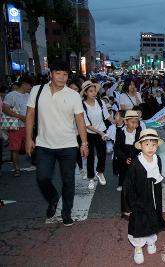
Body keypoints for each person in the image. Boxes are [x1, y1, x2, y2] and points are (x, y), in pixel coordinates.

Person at [25, 60, 89, 226]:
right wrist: (28, 139)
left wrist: (84, 143)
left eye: (65, 74)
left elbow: (80, 120)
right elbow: (30, 115)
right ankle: (53, 199)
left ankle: (66, 212)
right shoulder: (37, 91)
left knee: (68, 181)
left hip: (68, 145)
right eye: (58, 73)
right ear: (51, 73)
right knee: (42, 178)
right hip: (43, 145)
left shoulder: (73, 95)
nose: (61, 77)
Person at [123, 128, 165, 264]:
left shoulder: (157, 159)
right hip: (139, 200)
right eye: (147, 144)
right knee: (139, 222)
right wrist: (127, 206)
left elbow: (158, 177)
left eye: (154, 144)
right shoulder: (135, 164)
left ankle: (151, 241)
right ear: (141, 146)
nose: (151, 148)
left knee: (153, 218)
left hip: (154, 197)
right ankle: (138, 247)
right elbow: (128, 186)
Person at [81, 81, 113, 189]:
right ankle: (91, 178)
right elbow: (87, 124)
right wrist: (101, 133)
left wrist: (116, 121)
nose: (94, 93)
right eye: (91, 91)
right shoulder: (82, 105)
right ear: (85, 93)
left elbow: (107, 116)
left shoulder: (100, 102)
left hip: (102, 131)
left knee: (102, 154)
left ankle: (100, 172)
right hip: (90, 133)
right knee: (89, 157)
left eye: (95, 91)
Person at [2, 75, 34, 176]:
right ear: (24, 84)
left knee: (30, 145)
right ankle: (17, 168)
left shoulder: (29, 96)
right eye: (29, 85)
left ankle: (35, 162)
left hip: (27, 125)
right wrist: (20, 116)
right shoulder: (11, 95)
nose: (31, 87)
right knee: (15, 148)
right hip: (15, 126)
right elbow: (5, 109)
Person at [114, 110, 142, 215]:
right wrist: (125, 158)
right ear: (125, 122)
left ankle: (136, 205)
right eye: (132, 122)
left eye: (137, 122)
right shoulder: (120, 133)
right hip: (124, 162)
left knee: (136, 184)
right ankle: (126, 208)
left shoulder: (139, 133)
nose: (135, 124)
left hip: (136, 162)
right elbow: (116, 148)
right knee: (126, 185)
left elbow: (141, 148)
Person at [68, 79, 86, 179]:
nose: (73, 91)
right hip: (66, 130)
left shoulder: (82, 101)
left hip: (77, 130)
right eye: (71, 88)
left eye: (75, 89)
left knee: (77, 149)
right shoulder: (63, 99)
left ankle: (80, 168)